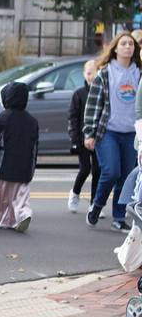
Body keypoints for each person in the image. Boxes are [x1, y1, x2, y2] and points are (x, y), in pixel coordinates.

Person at [84, 31, 141, 231]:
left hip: (131, 134)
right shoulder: (105, 73)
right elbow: (93, 105)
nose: (128, 47)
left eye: (131, 44)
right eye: (124, 43)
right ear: (115, 48)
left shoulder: (138, 73)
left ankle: (118, 217)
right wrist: (89, 133)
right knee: (111, 171)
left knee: (126, 176)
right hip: (108, 132)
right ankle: (96, 206)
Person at [0, 82, 39, 231]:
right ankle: (23, 214)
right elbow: (35, 148)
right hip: (25, 167)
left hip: (4, 165)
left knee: (5, 197)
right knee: (22, 195)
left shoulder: (2, 118)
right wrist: (32, 168)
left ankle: (4, 220)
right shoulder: (32, 121)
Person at [67, 60, 100, 213]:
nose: (92, 76)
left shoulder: (102, 92)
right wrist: (75, 139)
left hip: (99, 138)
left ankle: (94, 203)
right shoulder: (79, 94)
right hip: (83, 138)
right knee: (85, 168)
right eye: (88, 73)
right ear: (84, 74)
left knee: (98, 170)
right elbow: (73, 118)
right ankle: (75, 193)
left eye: (95, 72)